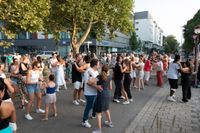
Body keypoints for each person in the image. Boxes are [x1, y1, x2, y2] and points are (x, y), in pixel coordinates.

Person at [81, 59, 102, 128]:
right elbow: (88, 83)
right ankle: (84, 121)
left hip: (94, 92)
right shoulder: (89, 71)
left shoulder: (95, 71)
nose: (99, 65)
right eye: (98, 64)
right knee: (88, 106)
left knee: (93, 104)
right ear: (95, 65)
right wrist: (97, 87)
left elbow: (97, 80)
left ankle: (93, 114)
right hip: (89, 93)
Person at [92, 65, 113, 133]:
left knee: (98, 113)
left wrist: (96, 86)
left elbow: (91, 82)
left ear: (102, 69)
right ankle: (110, 122)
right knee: (106, 109)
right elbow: (110, 88)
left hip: (101, 95)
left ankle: (99, 130)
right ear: (108, 70)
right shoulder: (109, 77)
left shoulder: (99, 76)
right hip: (107, 94)